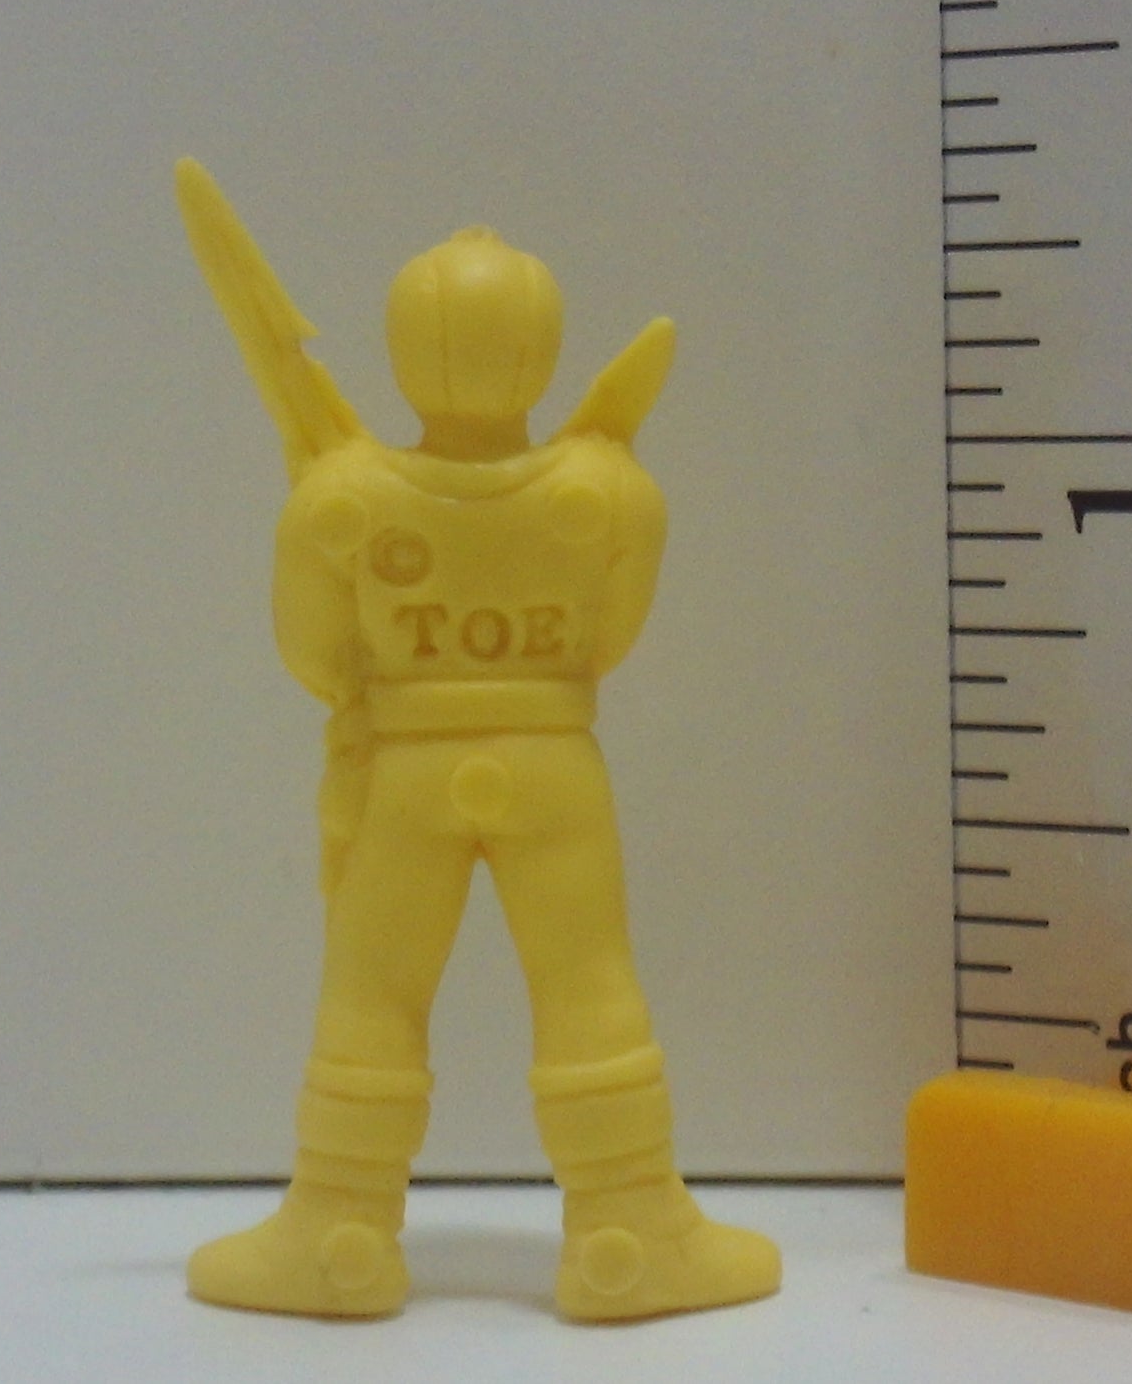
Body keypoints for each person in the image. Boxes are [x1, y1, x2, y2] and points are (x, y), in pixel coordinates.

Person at [176, 160, 780, 1320]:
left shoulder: (340, 499)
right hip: (556, 763)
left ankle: (340, 1230)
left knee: (372, 988)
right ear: (541, 351)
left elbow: (312, 657)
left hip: (405, 770)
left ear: (403, 350)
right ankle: (627, 1229)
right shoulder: (610, 492)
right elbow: (609, 639)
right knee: (589, 978)